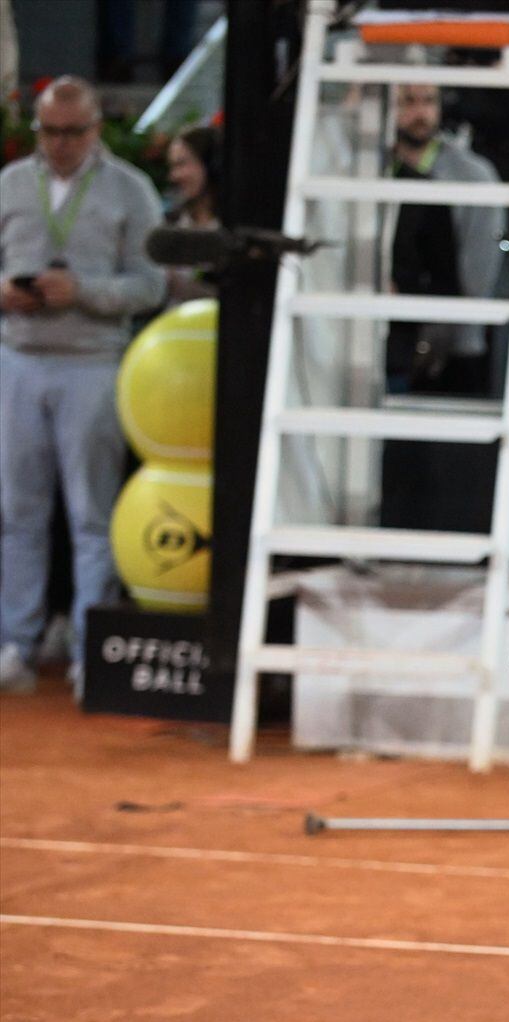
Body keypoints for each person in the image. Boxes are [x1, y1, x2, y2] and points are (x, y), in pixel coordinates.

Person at [0, 76, 165, 697]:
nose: (61, 144)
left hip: (93, 362)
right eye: (49, 132)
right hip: (18, 358)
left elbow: (150, 285)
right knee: (17, 513)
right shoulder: (11, 184)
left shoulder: (131, 190)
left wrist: (86, 293)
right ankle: (15, 643)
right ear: (35, 128)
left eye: (73, 133)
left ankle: (89, 651)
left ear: (97, 129)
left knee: (90, 514)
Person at [380, 81, 509, 534]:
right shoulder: (371, 168)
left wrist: (451, 332)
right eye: (407, 100)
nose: (419, 112)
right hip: (386, 333)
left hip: (454, 341)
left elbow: (477, 267)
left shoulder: (473, 175)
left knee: (445, 471)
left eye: (428, 101)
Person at [163, 123, 220, 304]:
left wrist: (182, 286)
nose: (174, 176)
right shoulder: (171, 222)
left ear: (212, 163)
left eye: (181, 164)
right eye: (172, 166)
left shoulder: (237, 231)